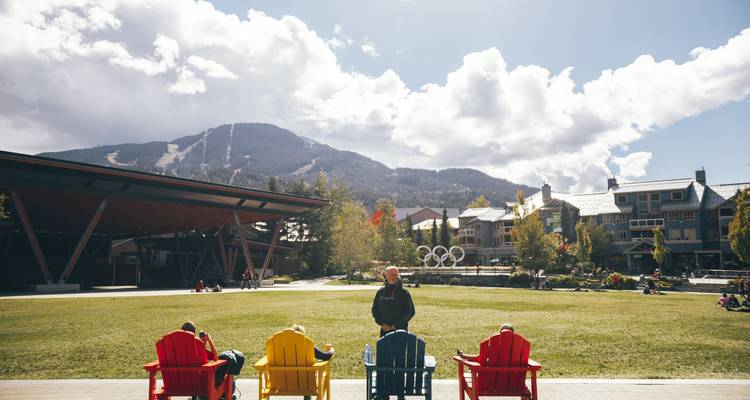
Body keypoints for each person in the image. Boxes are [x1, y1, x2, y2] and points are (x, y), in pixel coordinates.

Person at [290, 324, 334, 400]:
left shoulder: (281, 347)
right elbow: (325, 356)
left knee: (302, 376)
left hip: (285, 382)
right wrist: (331, 350)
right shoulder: (308, 346)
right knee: (309, 377)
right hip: (306, 382)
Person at [372, 266, 415, 337]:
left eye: (395, 275)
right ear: (386, 276)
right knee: (384, 348)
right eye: (390, 275)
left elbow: (410, 311)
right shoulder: (380, 292)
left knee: (400, 348)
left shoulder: (404, 292)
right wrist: (382, 323)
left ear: (398, 275)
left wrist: (397, 324)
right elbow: (375, 309)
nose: (393, 277)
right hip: (384, 330)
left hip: (400, 329)